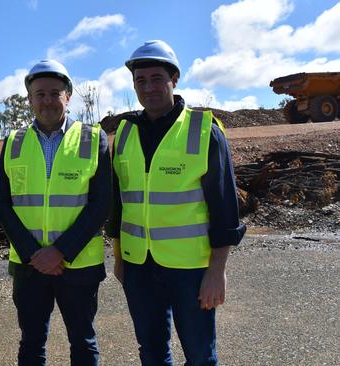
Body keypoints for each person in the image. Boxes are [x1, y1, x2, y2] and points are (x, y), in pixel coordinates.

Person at [106, 40, 247, 365]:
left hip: (191, 269)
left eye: (157, 78)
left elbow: (225, 209)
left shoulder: (204, 131)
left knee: (199, 355)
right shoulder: (125, 134)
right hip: (138, 266)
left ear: (175, 79)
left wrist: (217, 271)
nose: (148, 87)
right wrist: (119, 259)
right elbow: (118, 203)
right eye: (140, 81)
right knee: (152, 352)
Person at [0, 59, 112, 366]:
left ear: (68, 96)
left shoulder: (93, 138)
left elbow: (101, 204)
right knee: (31, 343)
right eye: (40, 94)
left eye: (54, 93)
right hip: (29, 265)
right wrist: (35, 253)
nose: (47, 100)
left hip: (78, 265)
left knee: (83, 342)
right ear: (30, 99)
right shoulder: (13, 142)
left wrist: (60, 251)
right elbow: (4, 205)